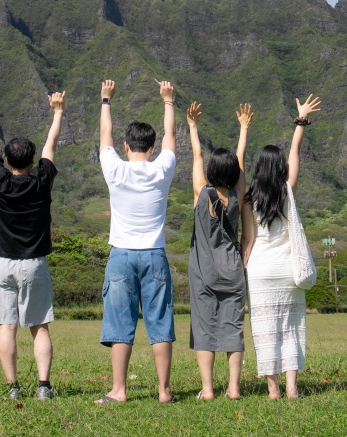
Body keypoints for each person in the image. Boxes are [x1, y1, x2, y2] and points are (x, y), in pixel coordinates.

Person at [95, 78, 179, 404]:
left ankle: (119, 391)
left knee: (120, 322)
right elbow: (172, 137)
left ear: (126, 147)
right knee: (160, 321)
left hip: (122, 256)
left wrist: (106, 100)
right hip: (155, 254)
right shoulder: (163, 170)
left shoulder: (115, 169)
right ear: (153, 148)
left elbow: (104, 137)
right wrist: (168, 100)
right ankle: (164, 391)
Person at [0, 89, 65, 401]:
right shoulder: (42, 182)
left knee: (7, 326)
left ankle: (13, 388)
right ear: (32, 160)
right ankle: (43, 386)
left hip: (2, 262)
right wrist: (57, 111)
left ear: (6, 161)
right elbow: (51, 146)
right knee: (39, 327)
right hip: (34, 263)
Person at [241, 94, 322, 400]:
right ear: (280, 169)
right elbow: (296, 151)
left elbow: (248, 240)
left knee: (265, 333)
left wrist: (244, 267)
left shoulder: (249, 200)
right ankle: (292, 389)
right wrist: (300, 120)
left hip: (260, 271)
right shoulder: (288, 191)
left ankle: (272, 390)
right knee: (291, 330)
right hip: (288, 272)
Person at [186, 101, 252, 400]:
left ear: (212, 171)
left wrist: (193, 126)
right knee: (232, 329)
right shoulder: (238, 197)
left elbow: (196, 155)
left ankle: (208, 389)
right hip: (234, 271)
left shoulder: (201, 194)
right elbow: (240, 162)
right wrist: (244, 128)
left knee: (204, 328)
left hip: (204, 273)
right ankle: (234, 388)